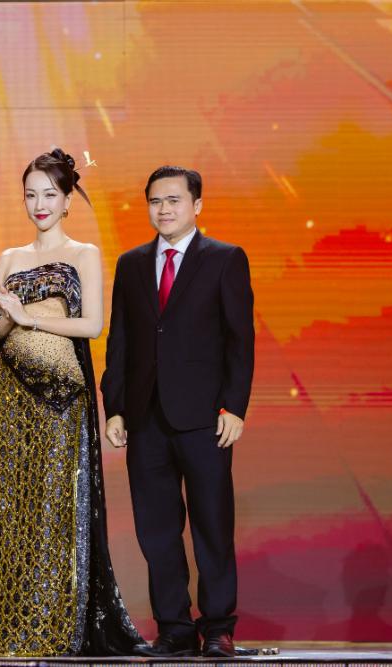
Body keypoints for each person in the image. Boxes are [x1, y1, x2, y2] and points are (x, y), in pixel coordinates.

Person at [0, 149, 141, 656]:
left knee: (56, 507)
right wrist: (6, 317)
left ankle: (53, 624)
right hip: (12, 401)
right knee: (12, 508)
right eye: (31, 194)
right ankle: (8, 624)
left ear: (67, 199)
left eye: (50, 194)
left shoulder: (84, 254)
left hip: (60, 403)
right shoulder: (10, 258)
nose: (40, 204)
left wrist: (29, 316)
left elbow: (92, 326)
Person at [101, 165, 254, 658]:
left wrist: (234, 406)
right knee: (157, 530)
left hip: (206, 418)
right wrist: (115, 408)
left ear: (196, 205)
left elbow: (240, 341)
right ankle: (174, 628)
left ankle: (218, 628)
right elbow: (120, 342)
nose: (163, 209)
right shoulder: (131, 264)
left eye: (173, 200)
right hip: (145, 419)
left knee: (213, 524)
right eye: (155, 201)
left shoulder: (225, 259)